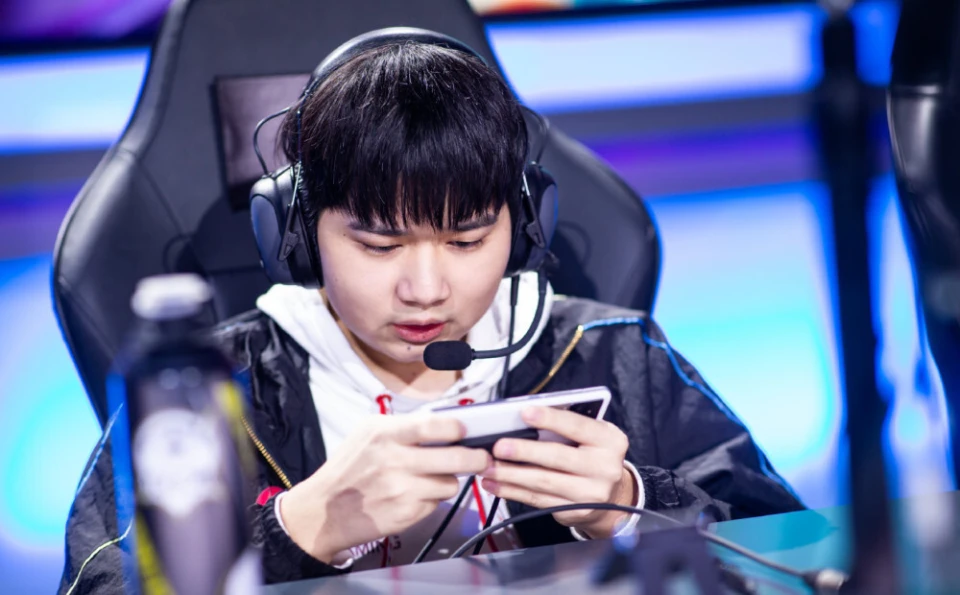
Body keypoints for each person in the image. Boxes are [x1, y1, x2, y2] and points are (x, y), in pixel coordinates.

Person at [59, 33, 804, 592]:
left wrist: (631, 503)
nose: (425, 289)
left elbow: (792, 555)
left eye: (467, 240)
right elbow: (97, 583)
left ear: (525, 229)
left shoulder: (614, 351)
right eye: (379, 245)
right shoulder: (210, 386)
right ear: (298, 235)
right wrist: (295, 528)